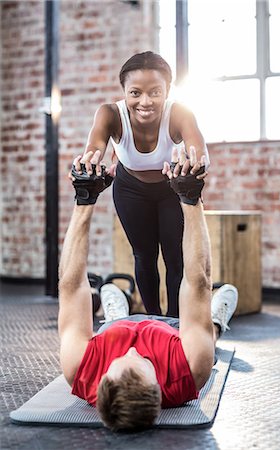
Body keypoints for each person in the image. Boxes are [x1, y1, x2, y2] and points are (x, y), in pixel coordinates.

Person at [59, 149, 238, 431]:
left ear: (101, 383)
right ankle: (217, 320)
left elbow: (70, 286)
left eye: (120, 361)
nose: (132, 352)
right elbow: (198, 282)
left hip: (119, 328)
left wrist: (84, 200)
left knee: (113, 328)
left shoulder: (80, 369)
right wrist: (191, 199)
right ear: (159, 387)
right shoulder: (190, 369)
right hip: (175, 331)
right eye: (141, 363)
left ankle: (115, 316)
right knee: (206, 335)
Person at [76, 50, 210, 317]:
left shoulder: (179, 113)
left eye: (155, 92)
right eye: (135, 92)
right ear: (124, 91)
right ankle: (153, 319)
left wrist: (194, 165)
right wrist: (87, 164)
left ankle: (174, 322)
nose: (145, 101)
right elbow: (95, 147)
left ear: (167, 90)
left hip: (172, 189)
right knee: (144, 256)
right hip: (130, 190)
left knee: (176, 258)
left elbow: (200, 152)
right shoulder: (109, 114)